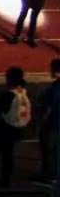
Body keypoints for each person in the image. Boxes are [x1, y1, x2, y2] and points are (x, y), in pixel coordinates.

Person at [0, 67, 33, 188]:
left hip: (3, 129)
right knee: (7, 156)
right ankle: (5, 183)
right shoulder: (23, 92)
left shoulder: (8, 95)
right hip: (16, 128)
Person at [34, 59, 60, 187]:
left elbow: (48, 107)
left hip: (53, 124)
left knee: (48, 150)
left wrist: (40, 124)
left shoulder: (55, 87)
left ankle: (49, 175)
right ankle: (52, 174)